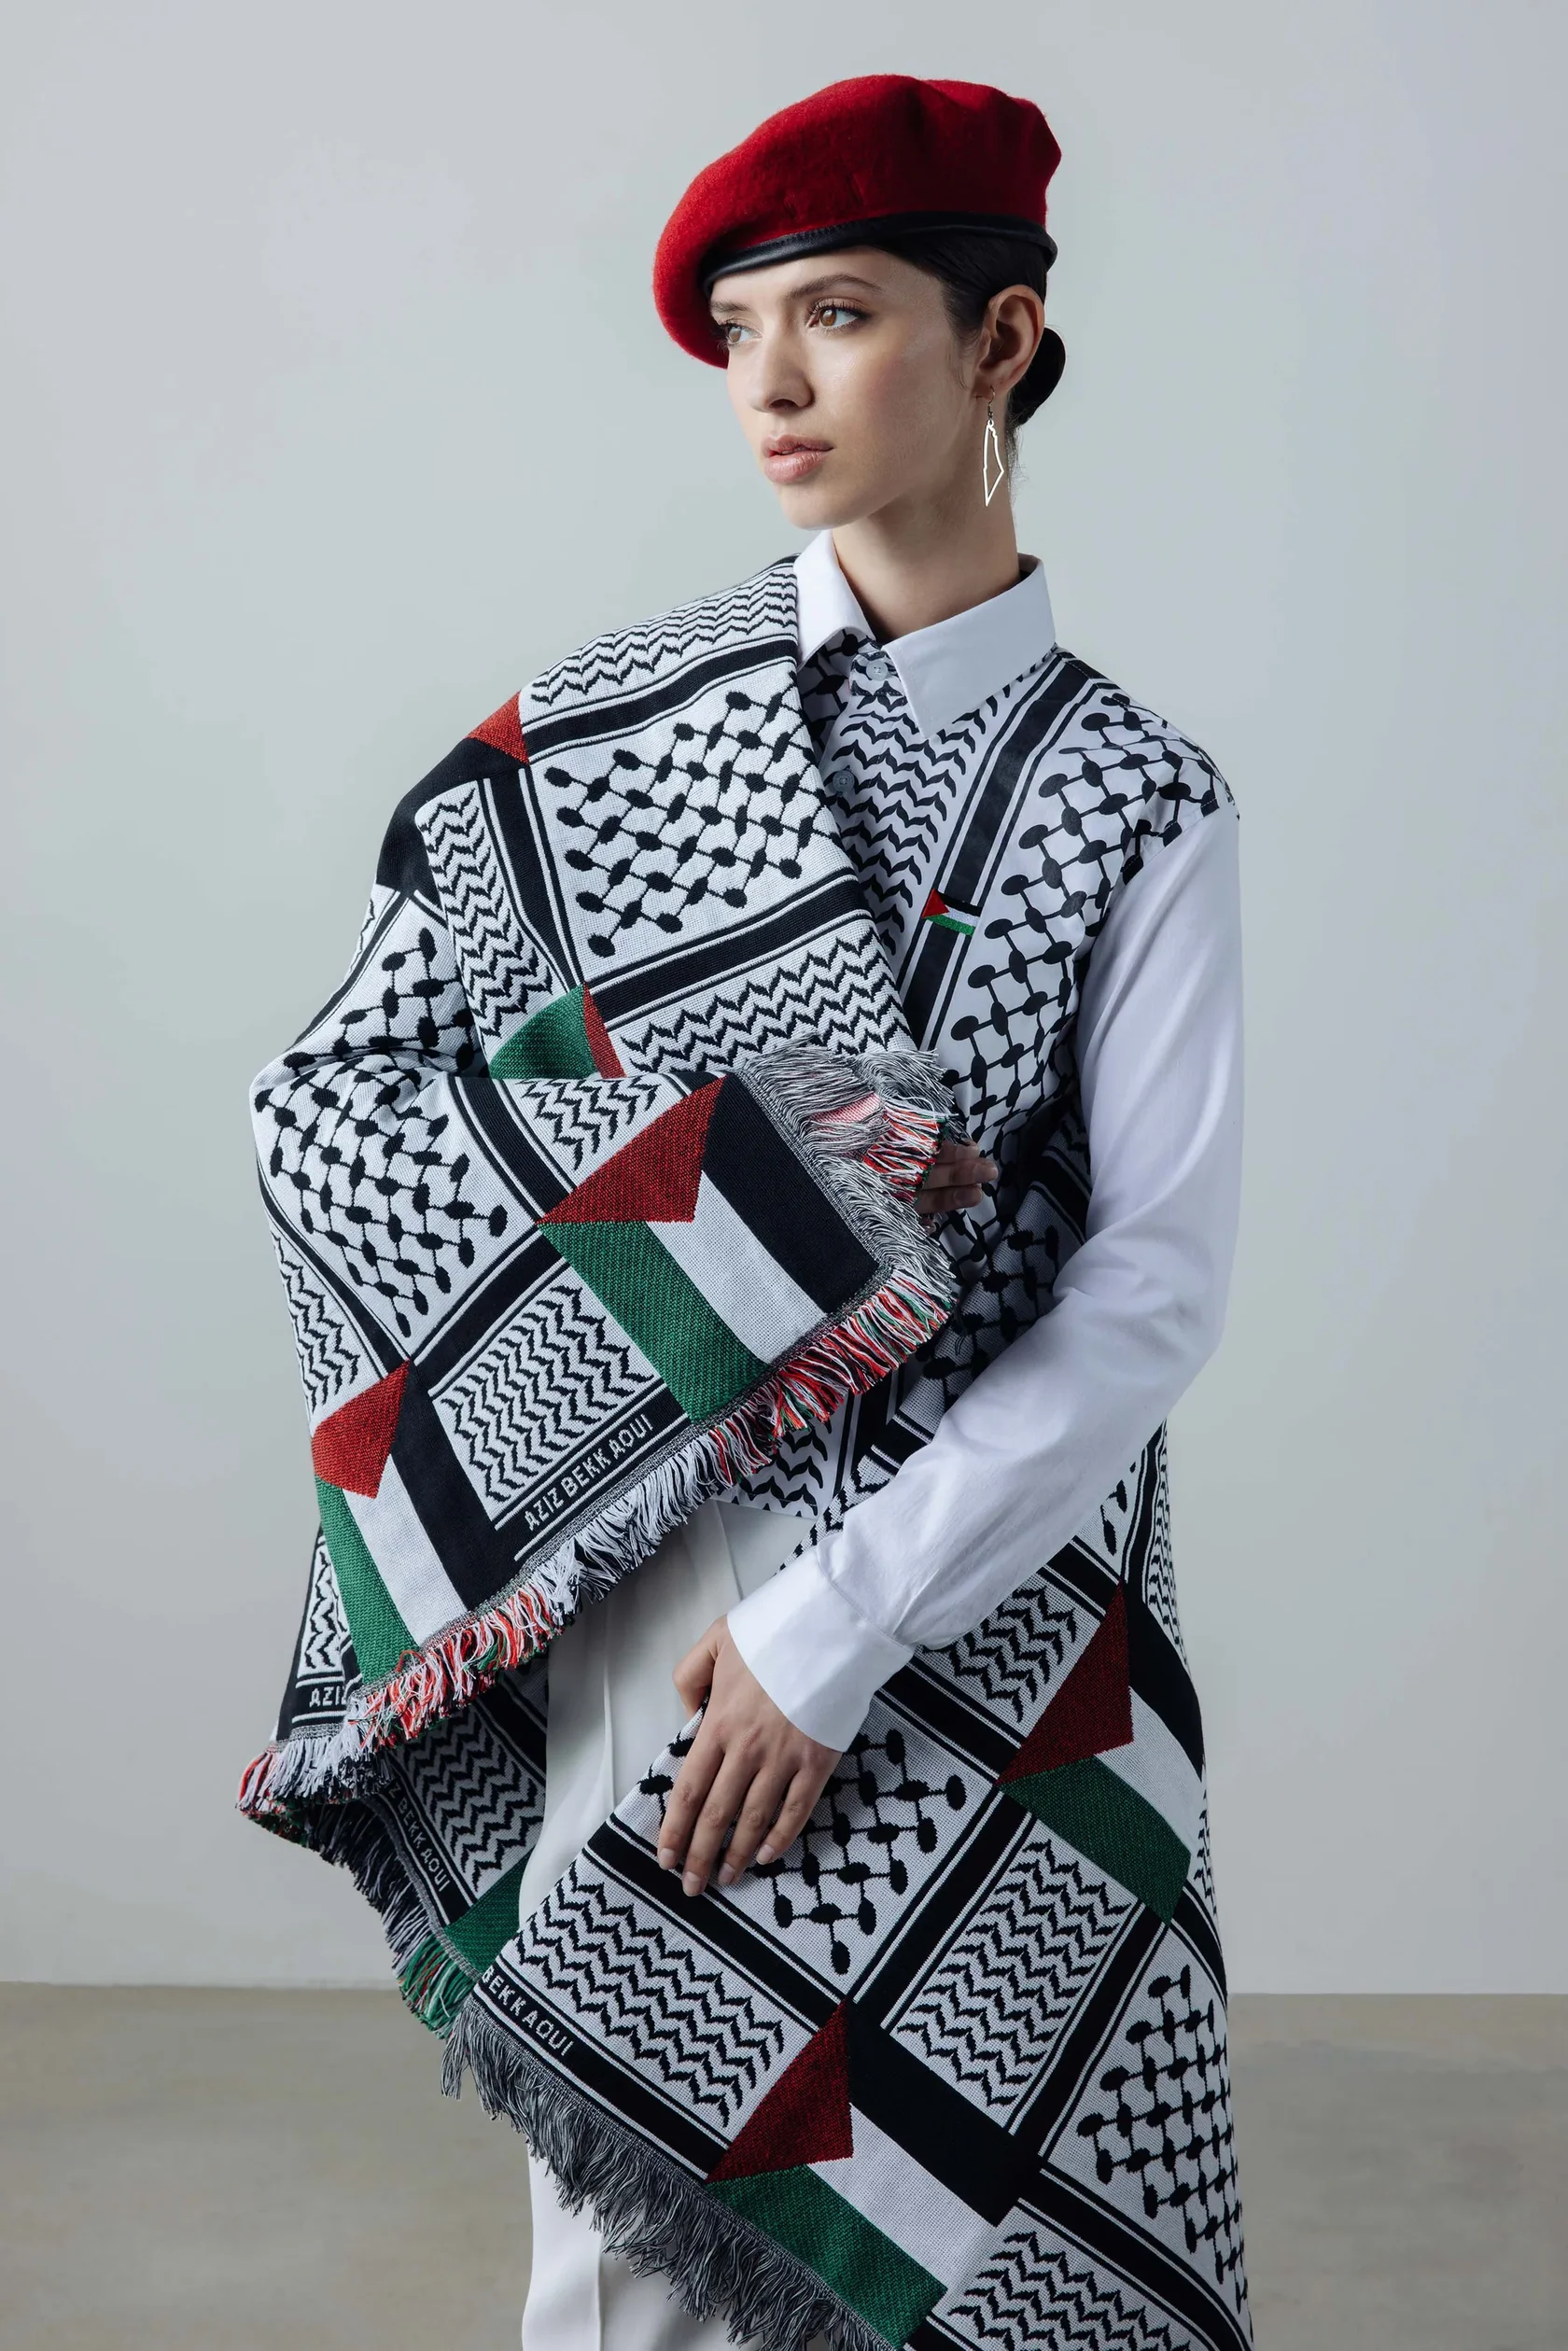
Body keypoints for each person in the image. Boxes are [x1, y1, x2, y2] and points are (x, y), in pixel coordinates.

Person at [242, 74, 1250, 2351]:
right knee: (646, 2266)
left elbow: (1151, 1285)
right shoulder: (589, 743)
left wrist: (847, 1621)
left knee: (1011, 2222)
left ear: (1002, 343)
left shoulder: (1137, 795)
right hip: (648, 1558)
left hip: (1002, 1586)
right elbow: (325, 1114)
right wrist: (777, 1182)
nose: (771, 380)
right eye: (739, 331)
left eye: (842, 312)